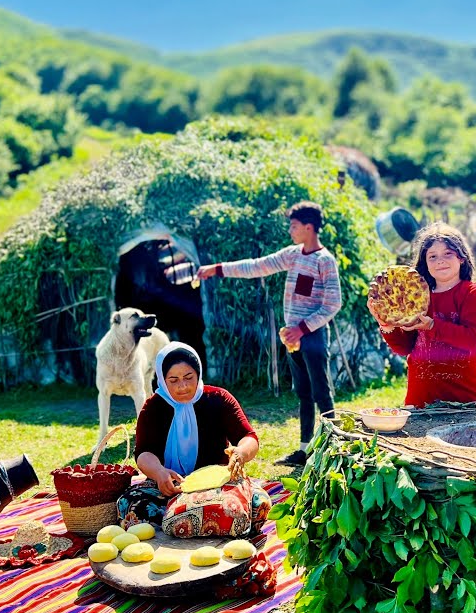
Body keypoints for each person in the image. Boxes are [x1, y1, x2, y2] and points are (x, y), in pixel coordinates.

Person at [198, 201, 341, 466]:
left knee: (322, 392)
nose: (290, 230)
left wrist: (302, 329)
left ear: (309, 228)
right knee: (304, 394)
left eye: (294, 226)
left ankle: (338, 449)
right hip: (293, 338)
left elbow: (333, 304)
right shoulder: (293, 254)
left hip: (313, 336)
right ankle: (304, 450)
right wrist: (216, 269)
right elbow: (257, 266)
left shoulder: (325, 261)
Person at [118, 342, 260, 526]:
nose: (183, 386)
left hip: (215, 486)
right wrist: (159, 473)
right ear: (162, 379)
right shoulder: (153, 407)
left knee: (251, 504)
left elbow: (248, 437)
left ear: (198, 373)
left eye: (188, 377)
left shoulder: (219, 399)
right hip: (167, 486)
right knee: (129, 505)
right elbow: (144, 453)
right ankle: (192, 522)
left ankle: (176, 523)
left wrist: (241, 453)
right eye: (173, 380)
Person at [369, 222, 476, 407]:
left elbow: (472, 340)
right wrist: (387, 325)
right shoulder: (413, 299)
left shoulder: (473, 293)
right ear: (425, 262)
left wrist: (433, 326)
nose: (440, 260)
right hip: (420, 401)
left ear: (462, 258)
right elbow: (404, 348)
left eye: (448, 253)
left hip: (465, 400)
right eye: (432, 256)